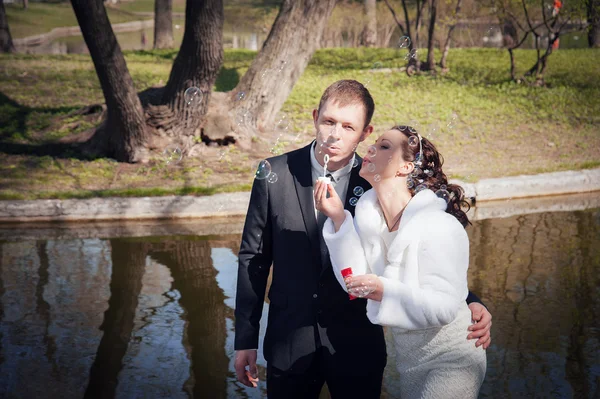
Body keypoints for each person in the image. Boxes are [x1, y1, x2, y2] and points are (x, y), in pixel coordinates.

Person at [234, 80, 492, 398]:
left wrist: (470, 302)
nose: (335, 134)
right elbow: (253, 258)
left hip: (357, 343)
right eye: (328, 121)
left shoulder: (377, 179)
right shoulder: (274, 173)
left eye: (348, 126)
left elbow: (418, 242)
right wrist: (245, 338)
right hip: (288, 341)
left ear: (364, 133)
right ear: (315, 117)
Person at [314, 126, 487, 398]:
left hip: (453, 359)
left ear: (406, 167)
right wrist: (338, 219)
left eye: (384, 146)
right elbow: (353, 282)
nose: (370, 149)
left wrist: (385, 291)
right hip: (407, 362)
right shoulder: (372, 223)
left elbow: (445, 308)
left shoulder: (439, 226)